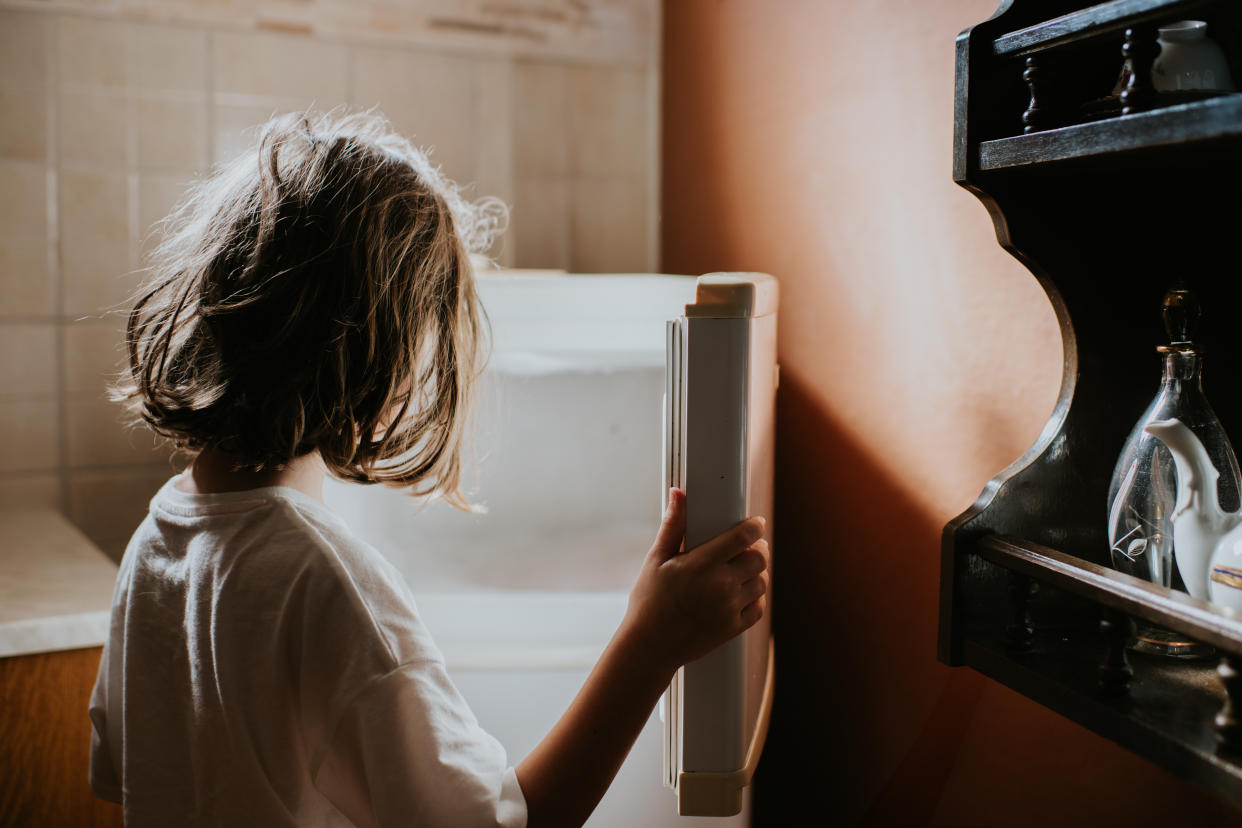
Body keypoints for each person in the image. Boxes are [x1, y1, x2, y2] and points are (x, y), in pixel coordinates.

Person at [88, 108, 769, 828]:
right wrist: (652, 641)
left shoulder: (158, 540)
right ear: (373, 345)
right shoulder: (328, 584)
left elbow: (121, 765)